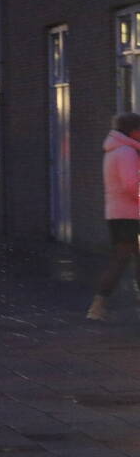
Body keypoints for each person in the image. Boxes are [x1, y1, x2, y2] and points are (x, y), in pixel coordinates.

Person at [87, 112, 140, 321]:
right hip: (129, 215)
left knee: (127, 258)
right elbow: (132, 185)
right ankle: (97, 306)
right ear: (134, 131)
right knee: (121, 259)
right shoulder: (126, 152)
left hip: (120, 214)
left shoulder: (115, 150)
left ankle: (99, 305)